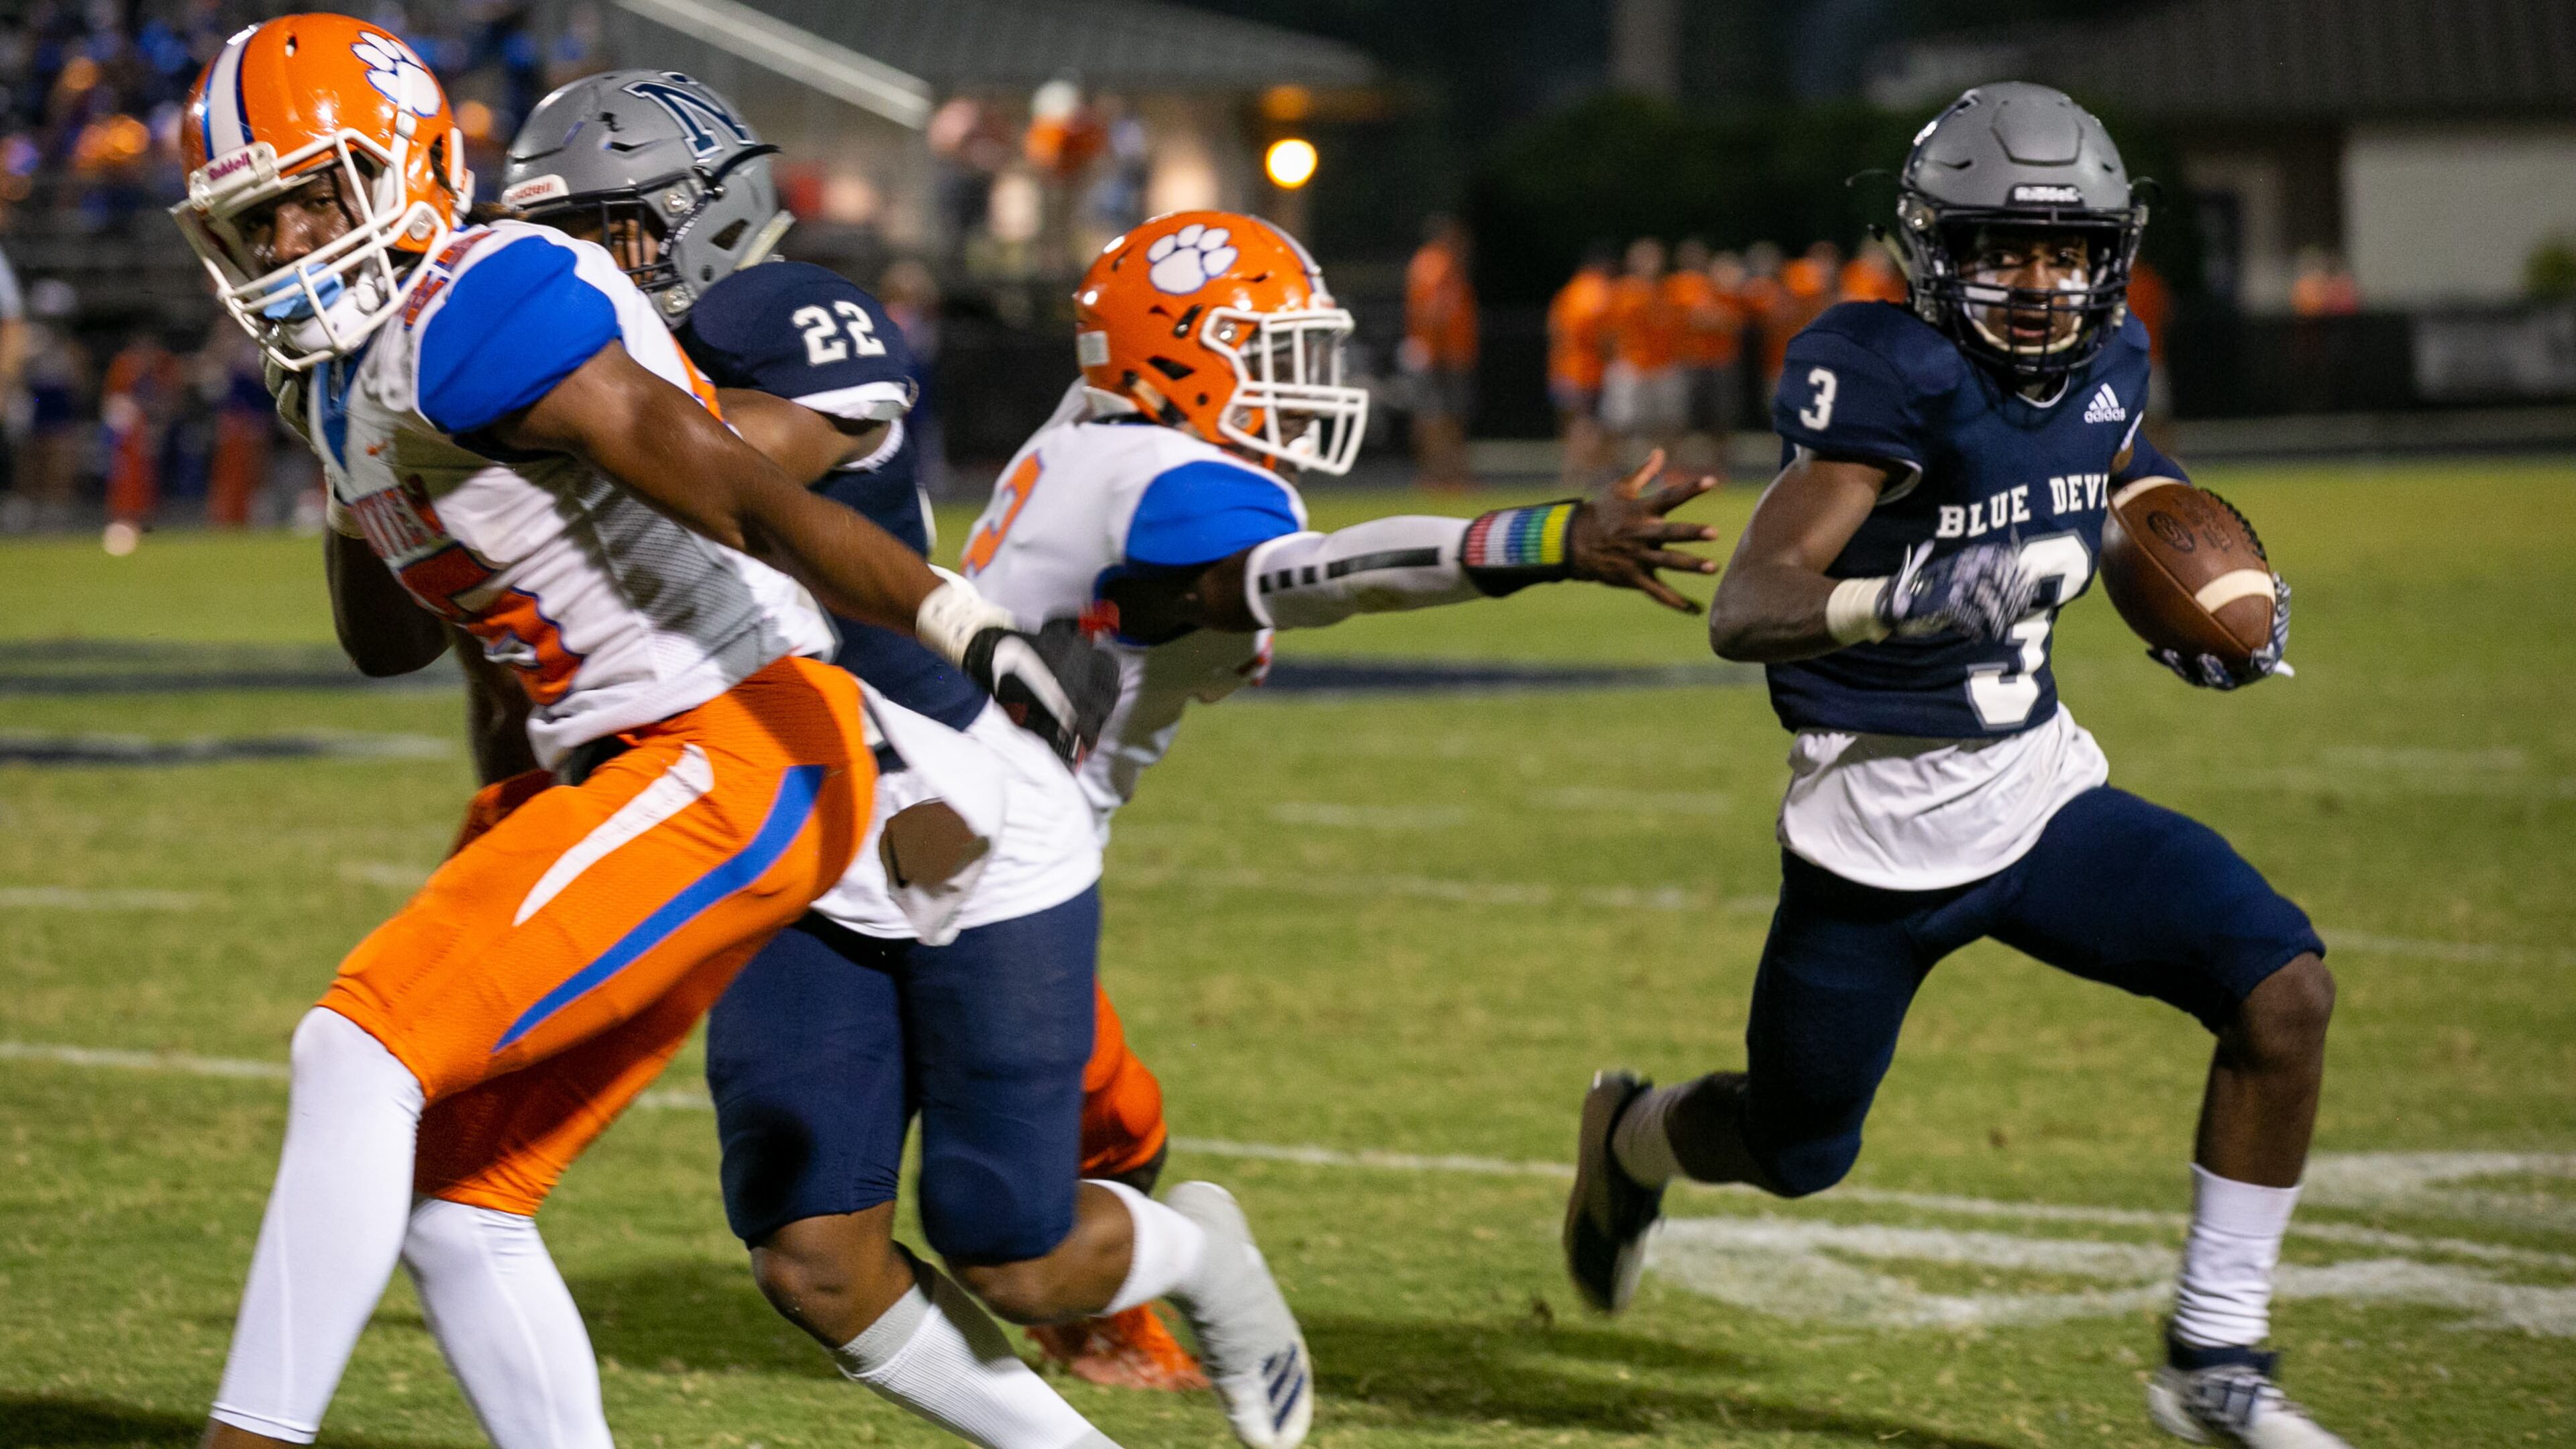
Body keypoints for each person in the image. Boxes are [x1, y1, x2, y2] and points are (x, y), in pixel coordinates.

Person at [166, 21, 1112, 1449]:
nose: (288, 240)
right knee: (458, 1208)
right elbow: (389, 642)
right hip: (650, 763)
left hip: (735, 744)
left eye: (313, 197)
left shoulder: (481, 298)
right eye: (256, 221)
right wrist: (350, 471)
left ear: (410, 169)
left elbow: (734, 491)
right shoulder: (349, 370)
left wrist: (955, 619)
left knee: (356, 1050)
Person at [1561, 84, 2344, 1449]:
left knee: (2283, 993)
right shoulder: (1886, 371)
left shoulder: (2113, 356)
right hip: (1873, 832)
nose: (2039, 283)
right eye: (2003, 248)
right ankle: (1632, 1136)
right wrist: (1907, 596)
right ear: (1935, 248)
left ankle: (2216, 1356)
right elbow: (1750, 603)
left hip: (2041, 795)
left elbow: (2123, 468)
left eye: (2067, 252)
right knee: (1798, 1150)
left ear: (2111, 253)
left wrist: (2211, 599)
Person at [501, 69, 1259, 1449]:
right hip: (779, 821)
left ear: (699, 217)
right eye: (543, 240)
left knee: (1013, 1248)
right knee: (813, 1259)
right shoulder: (576, 390)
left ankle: (1200, 1255)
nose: (568, 270)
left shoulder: (779, 317)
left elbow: (734, 478)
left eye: (602, 232)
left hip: (956, 811)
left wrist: (533, 436)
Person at [959, 208, 1717, 1432]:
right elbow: (1322, 578)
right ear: (1175, 360)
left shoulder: (1088, 440)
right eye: (1268, 352)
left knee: (1118, 1114)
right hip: (983, 861)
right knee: (990, 1210)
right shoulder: (1161, 476)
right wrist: (1543, 539)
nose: (1299, 383)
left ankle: (1096, 1318)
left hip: (1002, 839)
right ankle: (1099, 1297)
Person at [1401, 213, 1477, 491]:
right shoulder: (1438, 264)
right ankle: (1444, 475)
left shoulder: (1427, 262)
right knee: (1440, 417)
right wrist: (1440, 351)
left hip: (1431, 352)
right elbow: (1435, 311)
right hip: (1440, 355)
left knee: (1433, 416)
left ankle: (1439, 474)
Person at [1601, 236, 1683, 460]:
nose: (1650, 263)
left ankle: (1666, 470)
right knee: (1620, 425)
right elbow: (1606, 333)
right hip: (1631, 366)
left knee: (1669, 425)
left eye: (1654, 257)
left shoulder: (1672, 290)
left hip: (1665, 367)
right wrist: (1616, 363)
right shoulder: (1621, 291)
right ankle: (1618, 470)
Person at [1546, 242, 1615, 487]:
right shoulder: (1600, 292)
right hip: (1589, 372)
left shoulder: (1568, 293)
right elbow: (1605, 336)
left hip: (1563, 369)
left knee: (1572, 426)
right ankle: (1586, 476)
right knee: (1589, 426)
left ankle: (1572, 476)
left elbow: (1554, 331)